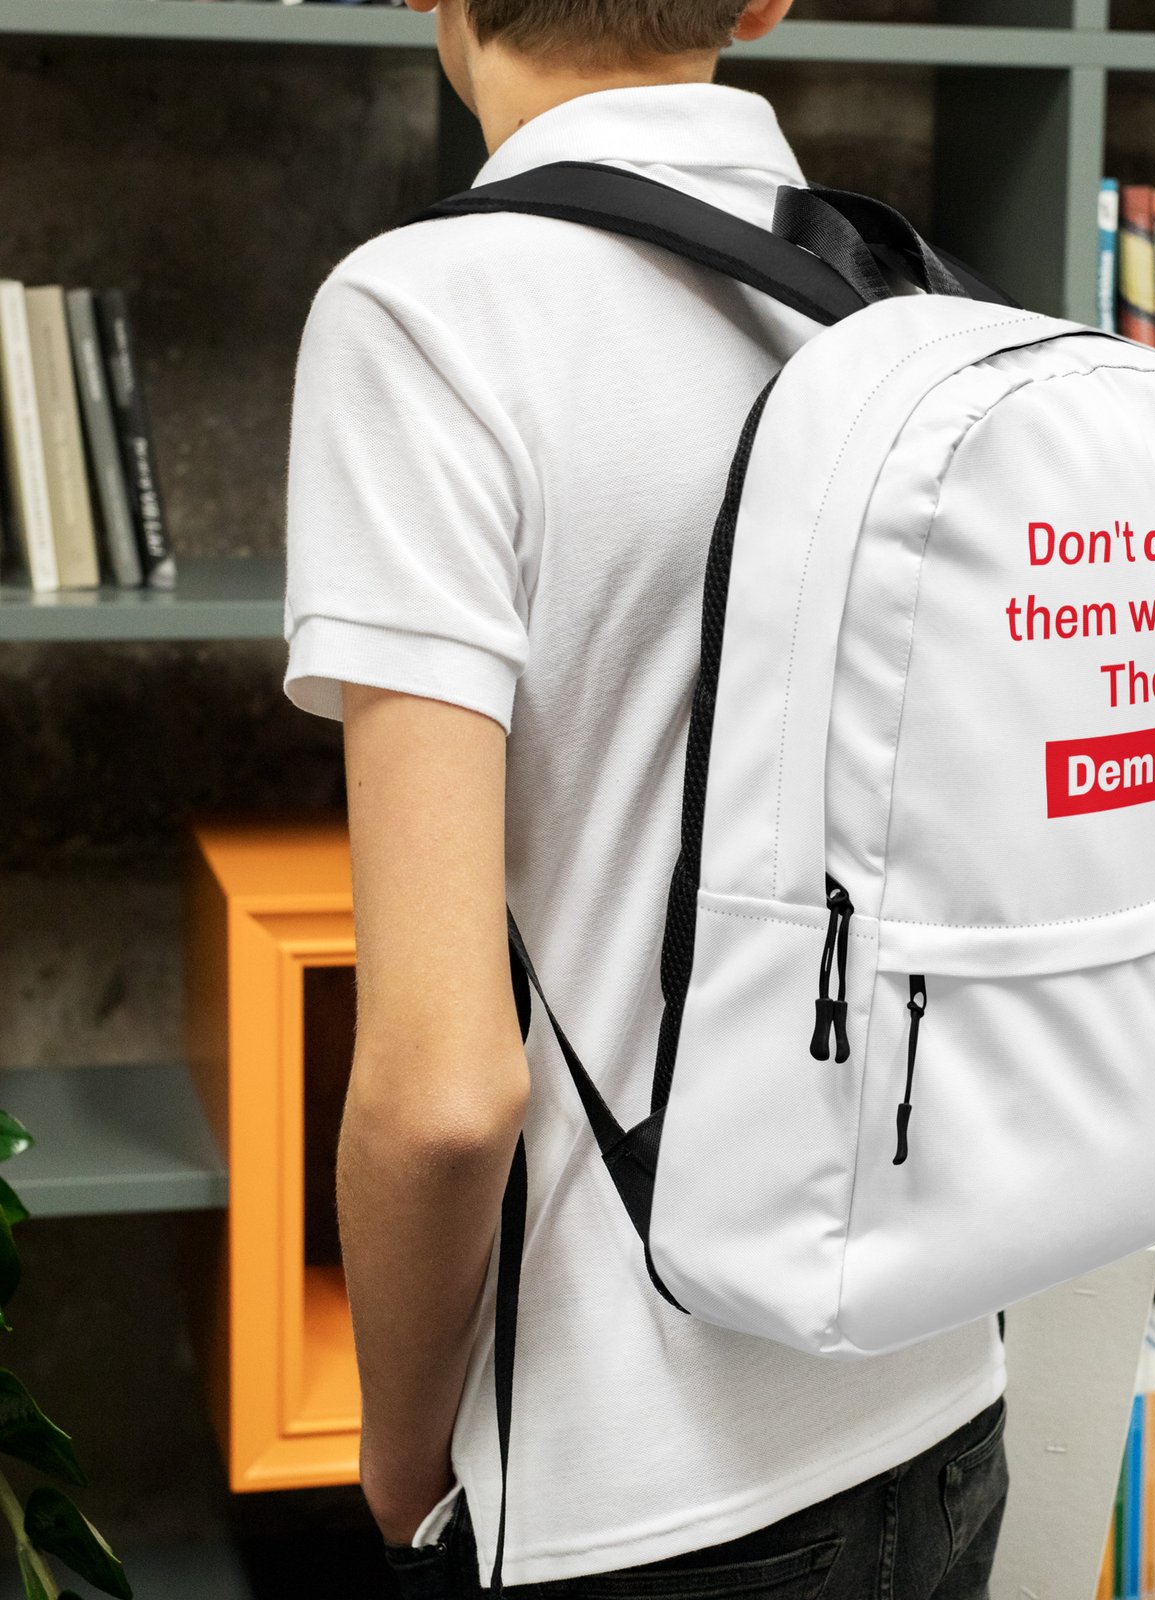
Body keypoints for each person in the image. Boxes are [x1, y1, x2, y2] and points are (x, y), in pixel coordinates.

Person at [282, 1, 1007, 1594]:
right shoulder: (915, 315)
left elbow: (442, 1093)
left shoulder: (427, 317)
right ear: (765, 0)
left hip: (638, 1486)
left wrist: (400, 1463)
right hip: (944, 1398)